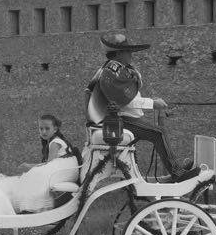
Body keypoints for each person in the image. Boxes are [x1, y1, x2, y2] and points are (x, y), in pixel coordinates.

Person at [85, 31, 200, 182]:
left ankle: (137, 178)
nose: (131, 55)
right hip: (112, 122)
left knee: (154, 132)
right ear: (119, 53)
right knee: (158, 133)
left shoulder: (114, 70)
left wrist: (153, 101)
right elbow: (124, 101)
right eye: (128, 51)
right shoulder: (111, 72)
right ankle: (177, 173)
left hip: (116, 119)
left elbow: (126, 98)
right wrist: (152, 104)